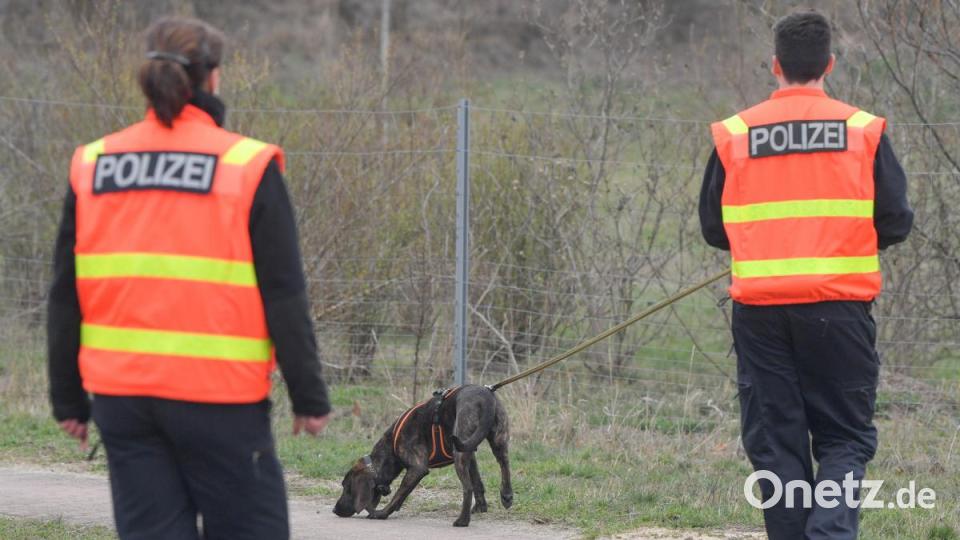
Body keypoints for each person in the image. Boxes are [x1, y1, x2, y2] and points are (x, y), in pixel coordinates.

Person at [47, 16, 331, 539]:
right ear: (214, 78)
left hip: (122, 399)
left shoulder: (93, 163)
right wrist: (309, 398)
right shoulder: (245, 164)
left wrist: (68, 399)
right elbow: (284, 292)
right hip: (219, 399)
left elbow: (66, 293)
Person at [699, 11, 913, 540]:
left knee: (778, 442)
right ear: (829, 65)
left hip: (760, 316)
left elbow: (712, 227)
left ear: (775, 66)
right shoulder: (862, 130)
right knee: (844, 439)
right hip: (839, 311)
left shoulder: (735, 134)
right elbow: (895, 221)